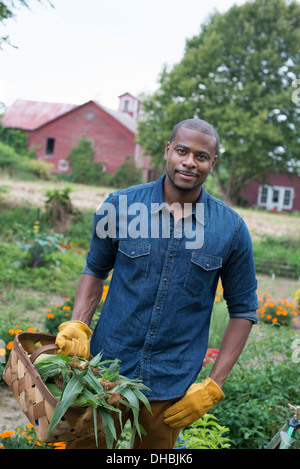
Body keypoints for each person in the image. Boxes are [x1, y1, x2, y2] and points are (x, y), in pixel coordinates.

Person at [55, 118, 258, 449]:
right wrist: (78, 323)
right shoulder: (120, 207)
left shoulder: (231, 230)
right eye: (182, 151)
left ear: (213, 163)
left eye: (201, 156)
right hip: (104, 370)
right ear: (168, 151)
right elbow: (95, 270)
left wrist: (213, 385)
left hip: (171, 384)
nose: (190, 162)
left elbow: (244, 310)